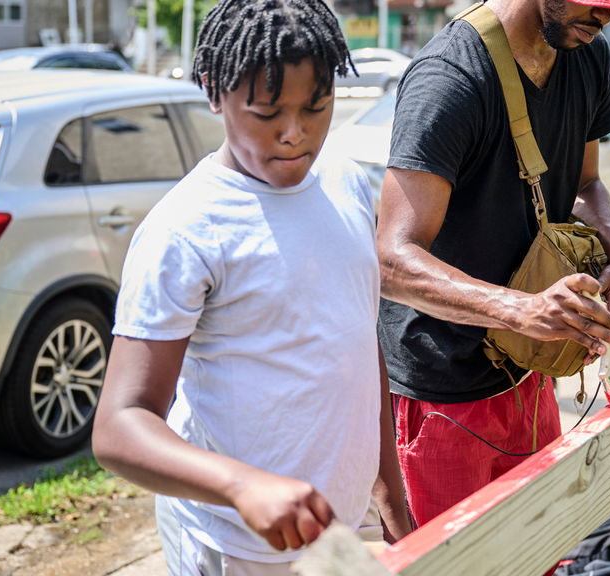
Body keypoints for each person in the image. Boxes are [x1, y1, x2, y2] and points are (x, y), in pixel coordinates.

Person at [91, 1, 412, 574]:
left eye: (317, 108)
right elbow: (120, 425)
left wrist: (387, 485)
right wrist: (243, 487)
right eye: (268, 113)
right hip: (237, 546)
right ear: (215, 92)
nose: (295, 135)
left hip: (342, 528)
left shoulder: (345, 181)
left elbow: (361, 349)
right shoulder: (184, 230)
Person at [376, 0, 610, 527]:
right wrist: (520, 310)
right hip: (444, 391)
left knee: (538, 553)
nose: (606, 18)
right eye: (598, 1)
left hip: (528, 370)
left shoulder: (586, 51)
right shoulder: (450, 77)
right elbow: (392, 260)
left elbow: (585, 182)